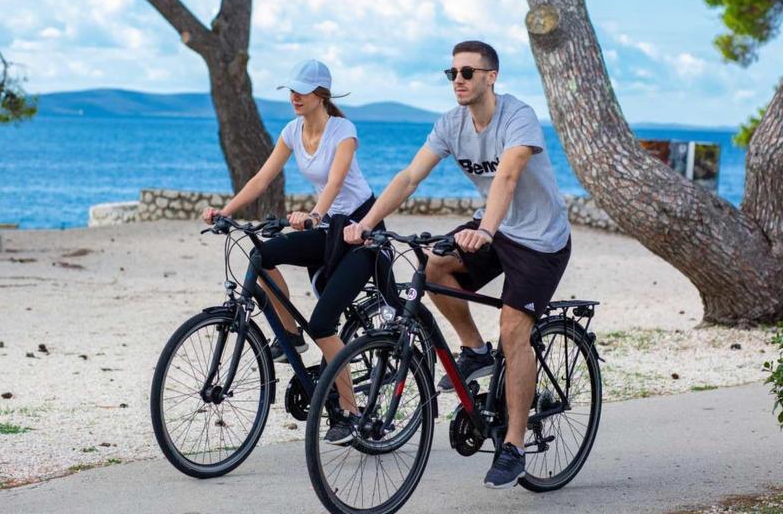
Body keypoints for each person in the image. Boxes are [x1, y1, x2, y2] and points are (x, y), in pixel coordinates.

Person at [345, 41, 571, 488]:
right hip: (494, 228)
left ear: (491, 77)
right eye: (452, 73)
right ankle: (475, 351)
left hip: (540, 239)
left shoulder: (518, 116)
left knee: (513, 329)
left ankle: (513, 445)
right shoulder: (451, 123)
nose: (459, 80)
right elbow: (410, 176)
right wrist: (366, 222)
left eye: (468, 71)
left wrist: (484, 231)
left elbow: (507, 176)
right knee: (432, 268)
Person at [203, 59, 386, 444]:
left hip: (359, 231)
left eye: (302, 91)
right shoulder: (291, 131)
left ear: (321, 94)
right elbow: (261, 178)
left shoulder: (343, 131)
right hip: (325, 229)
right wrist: (226, 211)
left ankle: (351, 412)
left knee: (323, 324)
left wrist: (316, 213)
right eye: (292, 90)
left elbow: (336, 182)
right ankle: (290, 335)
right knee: (262, 257)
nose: (294, 97)